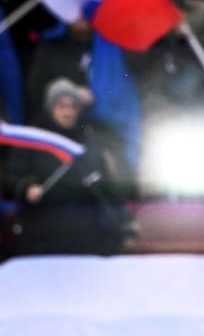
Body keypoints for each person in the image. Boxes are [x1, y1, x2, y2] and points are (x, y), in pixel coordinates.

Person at [3, 78, 133, 257]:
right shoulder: (32, 140)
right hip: (41, 238)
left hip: (84, 239)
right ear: (50, 109)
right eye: (61, 106)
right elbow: (9, 178)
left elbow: (105, 188)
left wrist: (122, 224)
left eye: (73, 106)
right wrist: (26, 187)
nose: (68, 112)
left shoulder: (87, 141)